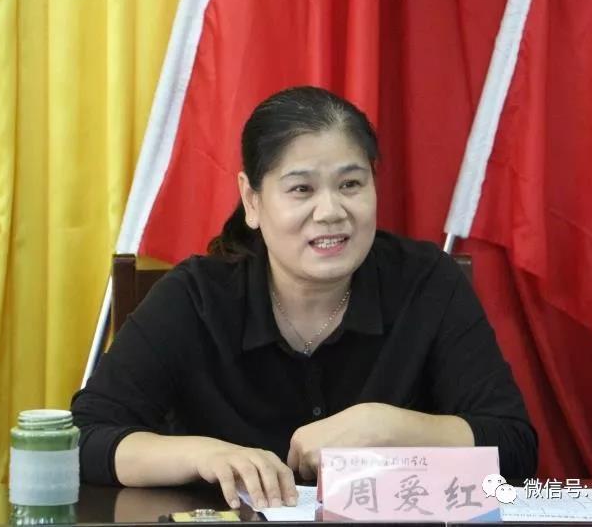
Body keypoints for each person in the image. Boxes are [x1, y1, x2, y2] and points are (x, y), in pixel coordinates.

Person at [71, 86, 537, 510]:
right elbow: (84, 437)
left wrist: (384, 426)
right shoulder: (195, 298)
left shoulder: (427, 282)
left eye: (351, 184)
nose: (331, 212)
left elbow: (513, 446)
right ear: (252, 201)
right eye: (301, 189)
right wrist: (203, 454)